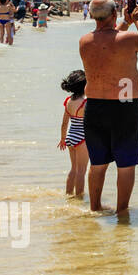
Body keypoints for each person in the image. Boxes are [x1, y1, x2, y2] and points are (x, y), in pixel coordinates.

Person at [79, 0, 138, 215]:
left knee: (98, 164)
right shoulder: (129, 40)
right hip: (124, 105)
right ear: (114, 14)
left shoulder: (85, 41)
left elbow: (109, 39)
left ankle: (95, 208)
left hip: (94, 106)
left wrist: (126, 22)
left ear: (93, 16)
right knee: (126, 165)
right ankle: (122, 212)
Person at [58, 70, 89, 198]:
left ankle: (69, 194)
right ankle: (79, 197)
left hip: (71, 137)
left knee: (73, 169)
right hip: (82, 139)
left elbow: (64, 123)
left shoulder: (68, 101)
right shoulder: (85, 103)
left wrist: (63, 139)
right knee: (82, 171)